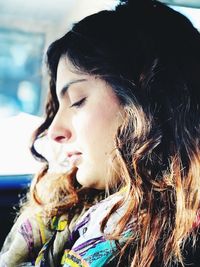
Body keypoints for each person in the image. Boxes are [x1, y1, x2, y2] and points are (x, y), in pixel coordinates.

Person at [1, 0, 200, 266]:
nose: (55, 131)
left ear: (149, 104)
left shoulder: (178, 248)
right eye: (57, 107)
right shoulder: (64, 212)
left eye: (78, 100)